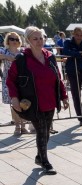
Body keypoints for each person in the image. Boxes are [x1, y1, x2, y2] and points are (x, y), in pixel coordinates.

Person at [7, 26, 69, 175]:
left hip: (50, 100)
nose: (39, 41)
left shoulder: (49, 56)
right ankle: (45, 162)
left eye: (41, 38)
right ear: (28, 40)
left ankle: (39, 156)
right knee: (41, 131)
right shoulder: (22, 59)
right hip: (33, 102)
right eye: (35, 38)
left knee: (46, 132)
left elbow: (58, 78)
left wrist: (64, 96)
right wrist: (14, 98)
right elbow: (11, 80)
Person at [1, 32, 31, 134]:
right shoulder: (3, 50)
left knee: (23, 103)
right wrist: (5, 56)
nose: (14, 41)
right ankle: (17, 126)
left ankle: (23, 126)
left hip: (21, 81)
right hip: (8, 81)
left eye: (16, 39)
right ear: (7, 40)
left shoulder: (22, 52)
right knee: (13, 104)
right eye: (12, 39)